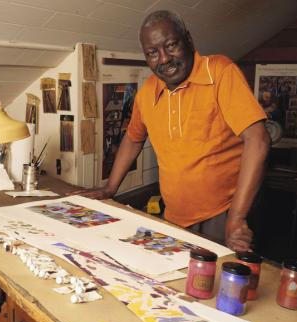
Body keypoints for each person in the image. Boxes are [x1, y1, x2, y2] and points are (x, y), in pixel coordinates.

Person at [80, 10, 270, 252]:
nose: (164, 59)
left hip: (224, 213)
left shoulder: (219, 71)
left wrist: (237, 217)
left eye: (171, 46)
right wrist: (109, 188)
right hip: (175, 217)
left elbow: (258, 139)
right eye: (152, 53)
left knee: (221, 285)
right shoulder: (148, 92)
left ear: (188, 40)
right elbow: (133, 138)